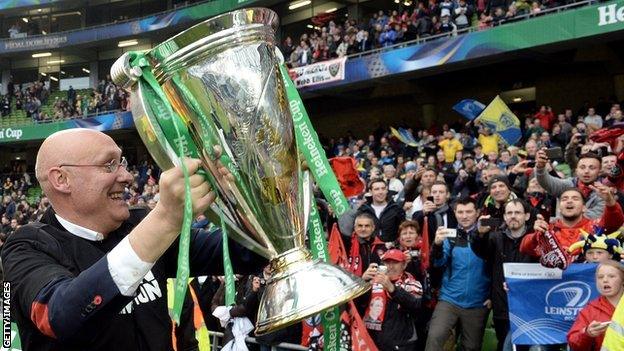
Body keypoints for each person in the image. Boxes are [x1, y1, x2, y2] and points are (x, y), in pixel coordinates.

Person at [1, 129, 264, 351]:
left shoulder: (138, 223)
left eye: (122, 162)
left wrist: (246, 198)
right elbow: (61, 316)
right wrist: (164, 219)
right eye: (109, 165)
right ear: (62, 179)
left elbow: (243, 252)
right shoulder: (27, 248)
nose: (126, 176)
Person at [425, 197, 491, 351]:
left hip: (477, 303)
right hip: (450, 299)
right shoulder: (450, 235)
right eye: (460, 212)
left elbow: (496, 266)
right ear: (455, 213)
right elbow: (438, 263)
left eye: (469, 211)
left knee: (471, 347)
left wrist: (492, 296)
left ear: (477, 213)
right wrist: (437, 245)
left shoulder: (488, 235)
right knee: (435, 338)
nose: (465, 216)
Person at [472, 199, 538, 351]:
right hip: (503, 307)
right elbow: (480, 251)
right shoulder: (495, 237)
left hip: (530, 309)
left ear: (527, 216)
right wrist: (479, 235)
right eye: (509, 213)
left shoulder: (535, 238)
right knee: (505, 345)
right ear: (504, 217)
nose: (513, 216)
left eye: (517, 212)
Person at [520, 185, 624, 261]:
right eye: (564, 199)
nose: (569, 201)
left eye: (575, 198)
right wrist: (536, 236)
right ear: (559, 208)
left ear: (584, 208)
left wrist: (610, 202)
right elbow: (525, 248)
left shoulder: (595, 227)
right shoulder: (548, 230)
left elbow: (615, 221)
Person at [362, 249, 422, 350]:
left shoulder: (412, 282)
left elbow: (415, 306)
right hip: (372, 341)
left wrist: (393, 289)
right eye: (387, 262)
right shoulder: (373, 281)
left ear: (404, 265)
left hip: (401, 343)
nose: (390, 266)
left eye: (395, 262)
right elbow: (358, 305)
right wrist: (363, 281)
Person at [567, 260, 624, 351]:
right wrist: (587, 333)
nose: (605, 280)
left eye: (611, 276)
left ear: (622, 281)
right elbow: (573, 343)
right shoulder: (590, 309)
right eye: (600, 277)